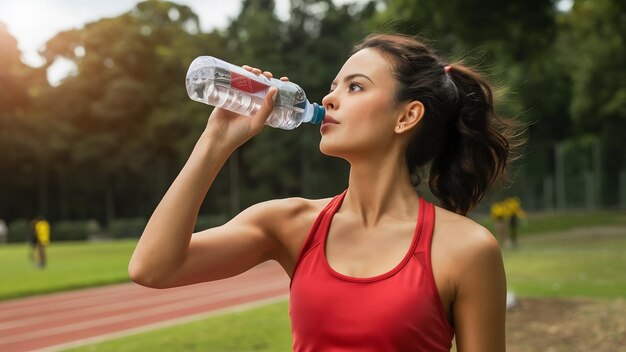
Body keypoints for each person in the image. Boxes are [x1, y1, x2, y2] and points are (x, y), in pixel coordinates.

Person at [130, 33, 522, 351]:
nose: (330, 98)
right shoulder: (290, 225)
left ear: (407, 116)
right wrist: (216, 140)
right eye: (334, 86)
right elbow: (153, 268)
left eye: (355, 87)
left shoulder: (466, 249)